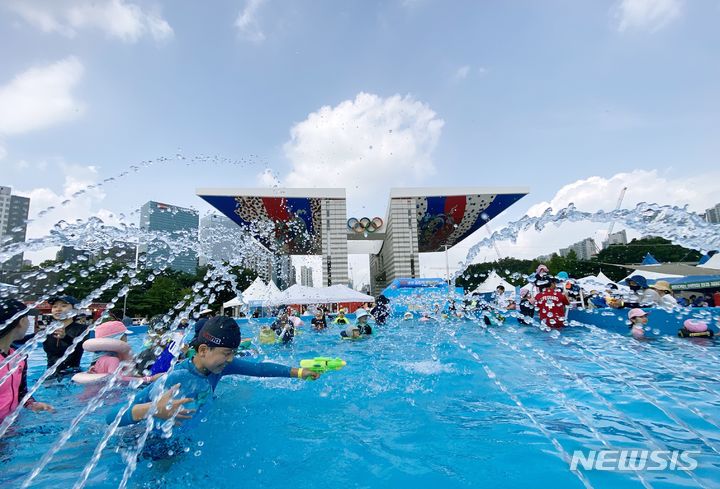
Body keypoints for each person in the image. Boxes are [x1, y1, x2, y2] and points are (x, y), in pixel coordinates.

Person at [106, 317, 320, 455]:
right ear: (202, 351)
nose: (230, 359)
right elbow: (112, 417)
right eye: (227, 354)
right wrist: (152, 409)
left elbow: (259, 369)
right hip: (149, 442)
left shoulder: (219, 367)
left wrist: (299, 372)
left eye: (233, 354)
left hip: (181, 439)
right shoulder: (175, 378)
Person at [1, 298, 54, 420]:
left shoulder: (19, 357)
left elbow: (21, 392)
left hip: (10, 426)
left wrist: (31, 404)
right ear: (22, 321)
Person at [43, 295, 88, 375]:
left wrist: (65, 338)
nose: (58, 309)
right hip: (49, 376)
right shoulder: (48, 331)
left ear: (75, 310)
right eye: (54, 306)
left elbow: (82, 347)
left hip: (71, 375)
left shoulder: (82, 329)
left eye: (64, 306)